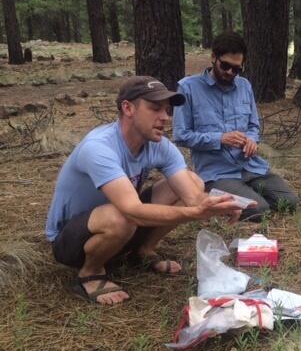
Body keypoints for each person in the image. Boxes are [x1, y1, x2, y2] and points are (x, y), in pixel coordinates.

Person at [46, 76, 245, 305]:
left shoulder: (158, 145)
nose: (165, 118)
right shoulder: (99, 147)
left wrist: (221, 203)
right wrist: (196, 212)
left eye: (167, 110)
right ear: (128, 108)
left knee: (193, 181)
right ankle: (90, 273)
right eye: (155, 108)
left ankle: (143, 250)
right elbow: (132, 211)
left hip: (122, 222)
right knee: (121, 216)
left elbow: (193, 197)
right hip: (71, 240)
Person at [173, 32, 299, 221]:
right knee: (259, 211)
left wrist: (251, 140)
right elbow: (181, 135)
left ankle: (244, 193)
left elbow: (253, 126)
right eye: (225, 66)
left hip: (251, 166)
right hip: (216, 172)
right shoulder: (188, 88)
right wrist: (220, 138)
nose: (230, 73)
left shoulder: (244, 86)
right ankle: (216, 193)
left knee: (290, 202)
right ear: (213, 58)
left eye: (236, 69)